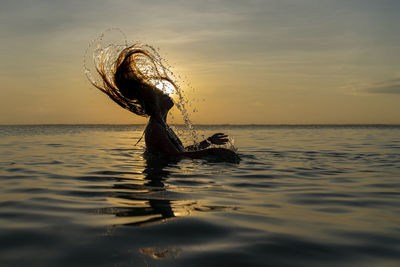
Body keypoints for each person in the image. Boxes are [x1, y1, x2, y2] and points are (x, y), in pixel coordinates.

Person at [88, 44, 238, 160]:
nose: (165, 93)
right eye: (160, 93)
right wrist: (212, 152)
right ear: (154, 102)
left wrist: (209, 141)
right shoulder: (155, 129)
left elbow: (181, 151)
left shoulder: (162, 126)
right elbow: (175, 158)